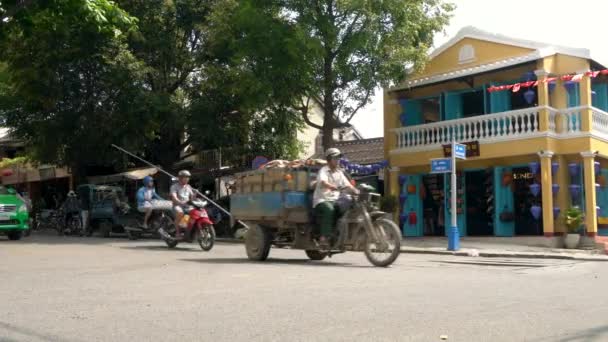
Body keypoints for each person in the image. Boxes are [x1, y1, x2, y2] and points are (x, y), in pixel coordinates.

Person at [313, 148, 359, 248]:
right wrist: (331, 186)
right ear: (329, 159)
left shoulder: (339, 172)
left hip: (335, 200)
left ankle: (337, 234)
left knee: (345, 209)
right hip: (322, 199)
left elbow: (347, 185)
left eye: (338, 158)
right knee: (329, 209)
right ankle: (323, 238)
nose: (338, 160)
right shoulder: (324, 170)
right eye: (335, 158)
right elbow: (323, 182)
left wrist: (356, 191)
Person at [170, 170, 195, 237]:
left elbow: (192, 197)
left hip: (187, 206)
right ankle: (177, 232)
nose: (187, 178)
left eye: (188, 177)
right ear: (180, 178)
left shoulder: (188, 187)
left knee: (195, 212)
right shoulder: (174, 186)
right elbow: (174, 197)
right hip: (177, 205)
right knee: (180, 212)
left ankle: (187, 228)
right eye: (185, 177)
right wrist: (179, 202)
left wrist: (195, 196)